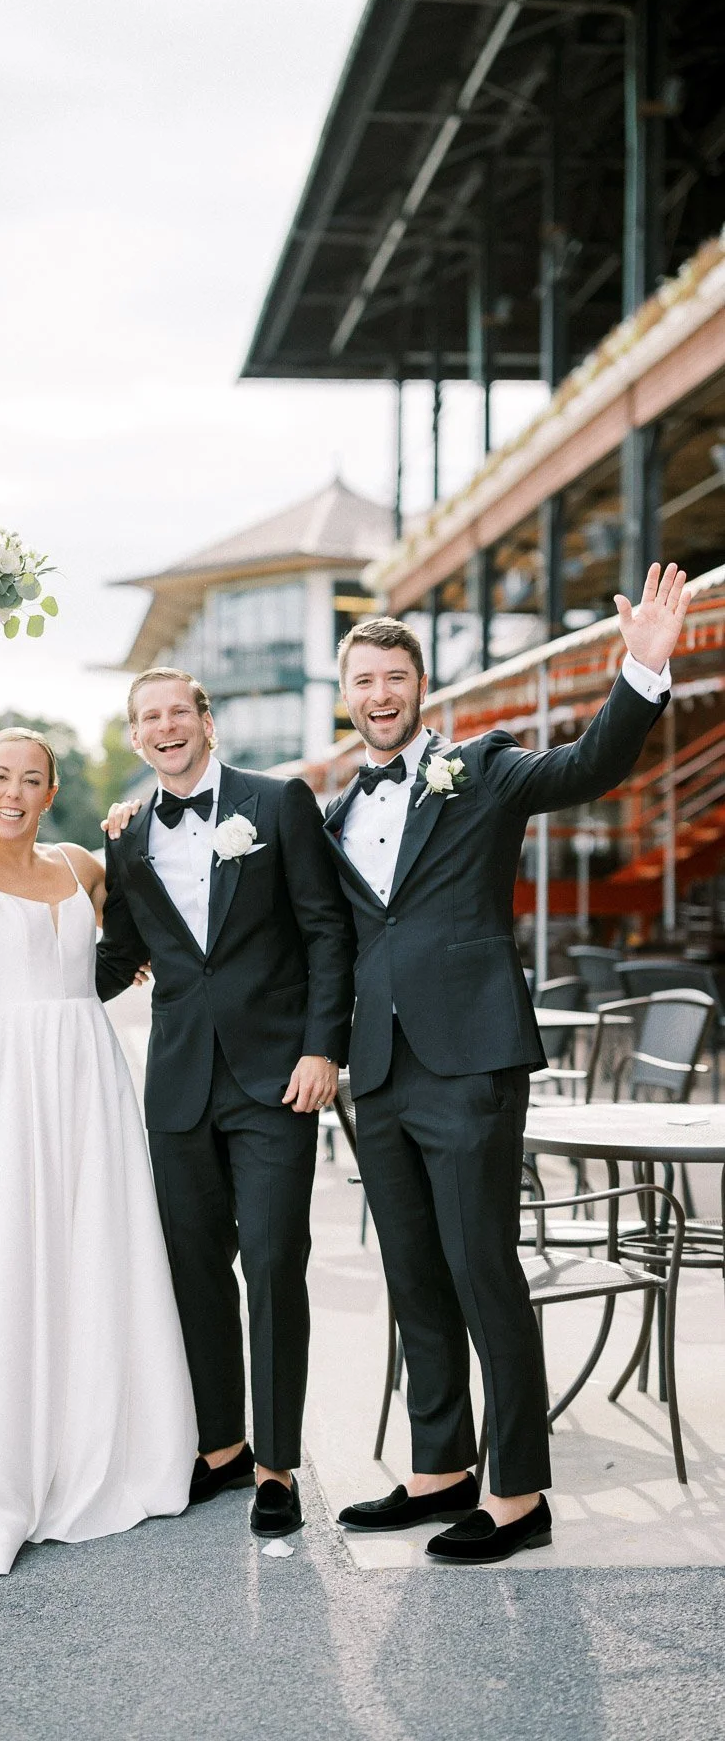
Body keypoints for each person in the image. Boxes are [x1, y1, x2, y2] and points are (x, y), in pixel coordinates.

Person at [327, 561, 691, 1564]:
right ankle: (438, 1469)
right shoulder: (335, 813)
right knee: (412, 1272)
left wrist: (642, 673)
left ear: (419, 689)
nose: (379, 696)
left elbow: (587, 770)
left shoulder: (479, 768)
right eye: (361, 682)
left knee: (482, 1265)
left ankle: (519, 1492)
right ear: (345, 694)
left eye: (393, 680)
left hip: (472, 1058)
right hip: (381, 1069)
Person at [0, 615, 197, 1577]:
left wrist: (146, 959)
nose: (16, 793)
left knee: (94, 1248)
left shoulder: (81, 868)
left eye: (34, 779)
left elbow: (150, 916)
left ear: (54, 792)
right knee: (4, 1255)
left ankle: (103, 1442)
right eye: (1, 777)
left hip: (87, 1077)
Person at [98, 670, 353, 1540]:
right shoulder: (128, 840)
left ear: (207, 722)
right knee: (192, 1270)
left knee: (276, 1261)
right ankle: (222, 1448)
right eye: (149, 719)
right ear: (136, 738)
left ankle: (279, 1464)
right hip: (176, 1084)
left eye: (179, 713)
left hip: (278, 1076)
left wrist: (324, 1046)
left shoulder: (278, 803)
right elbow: (118, 954)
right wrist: (19, 983)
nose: (166, 728)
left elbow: (326, 928)